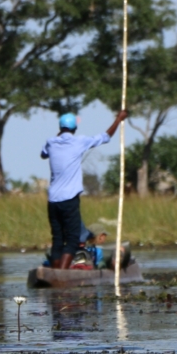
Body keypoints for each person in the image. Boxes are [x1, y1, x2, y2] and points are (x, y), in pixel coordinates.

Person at [40, 110, 127, 269]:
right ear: (74, 129)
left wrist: (59, 134)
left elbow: (43, 154)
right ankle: (62, 274)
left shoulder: (51, 142)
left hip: (53, 200)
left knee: (58, 238)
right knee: (73, 239)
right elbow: (106, 137)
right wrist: (118, 120)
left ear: (60, 127)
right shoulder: (79, 141)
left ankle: (55, 271)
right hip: (69, 200)